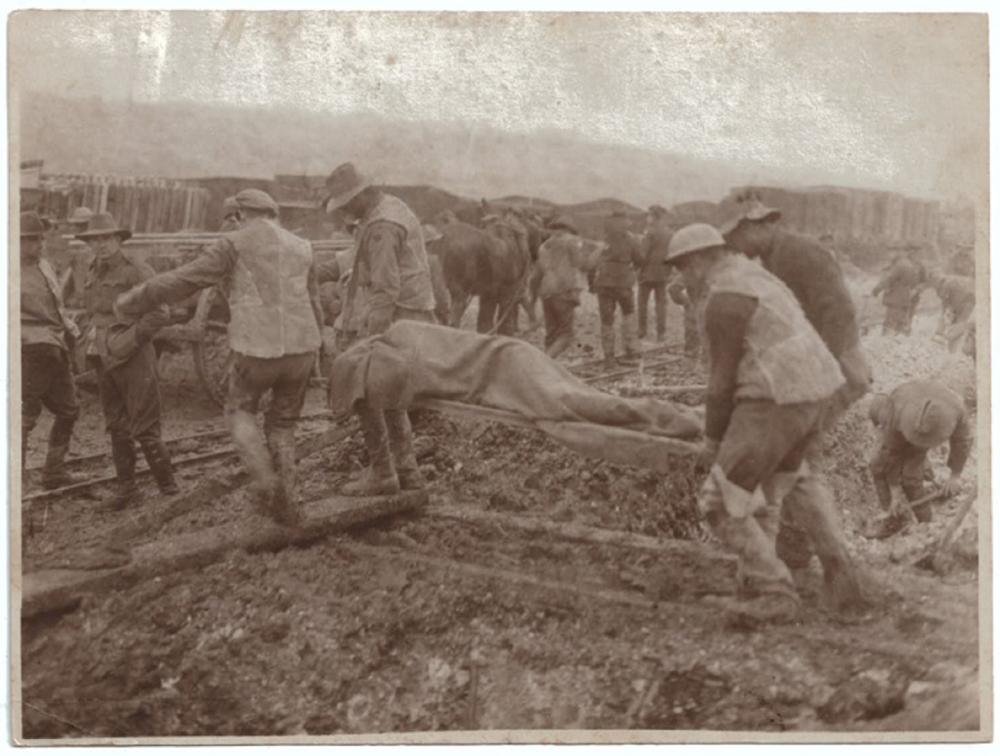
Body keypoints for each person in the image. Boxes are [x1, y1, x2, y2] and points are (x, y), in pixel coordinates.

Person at [666, 223, 866, 625]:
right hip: (815, 389)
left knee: (720, 501)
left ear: (702, 259)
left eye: (683, 267)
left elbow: (721, 381)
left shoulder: (726, 298)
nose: (682, 277)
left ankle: (774, 591)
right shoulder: (756, 276)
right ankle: (842, 576)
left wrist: (712, 439)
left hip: (774, 396)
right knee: (786, 484)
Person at [115, 189, 322, 525]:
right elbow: (315, 302)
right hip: (303, 349)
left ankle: (267, 486)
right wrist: (320, 351)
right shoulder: (303, 246)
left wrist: (136, 298)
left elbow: (184, 280)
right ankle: (291, 501)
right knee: (284, 424)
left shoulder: (233, 244)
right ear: (273, 214)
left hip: (257, 349)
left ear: (239, 215)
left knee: (239, 410)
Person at [323, 162, 435, 496]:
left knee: (364, 390)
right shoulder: (388, 211)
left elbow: (386, 287)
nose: (345, 211)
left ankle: (383, 472)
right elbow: (359, 259)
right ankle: (406, 469)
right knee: (391, 396)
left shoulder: (382, 226)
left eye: (347, 203)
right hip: (408, 316)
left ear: (362, 196)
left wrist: (370, 341)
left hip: (396, 316)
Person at [78, 212, 178, 509]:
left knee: (145, 427)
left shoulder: (137, 270)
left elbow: (160, 313)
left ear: (119, 240)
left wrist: (130, 341)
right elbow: (95, 313)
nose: (101, 245)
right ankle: (128, 489)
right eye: (95, 240)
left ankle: (170, 491)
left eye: (107, 238)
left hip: (134, 358)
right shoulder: (92, 270)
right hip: (104, 358)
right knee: (116, 424)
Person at [20, 212, 82, 489]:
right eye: (30, 240)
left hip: (54, 345)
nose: (37, 245)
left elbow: (57, 306)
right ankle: (14, 477)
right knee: (23, 415)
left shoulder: (44, 266)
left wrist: (69, 326)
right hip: (28, 349)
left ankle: (53, 472)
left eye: (39, 239)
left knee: (69, 409)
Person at [865, 380, 972, 539]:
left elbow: (962, 442)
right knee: (877, 464)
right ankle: (893, 520)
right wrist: (894, 492)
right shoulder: (893, 412)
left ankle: (926, 525)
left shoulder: (956, 410)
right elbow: (891, 453)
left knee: (911, 477)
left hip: (917, 416)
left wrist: (955, 475)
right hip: (901, 418)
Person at [532, 216, 600, 358]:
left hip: (546, 293)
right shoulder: (571, 242)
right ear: (568, 230)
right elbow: (584, 265)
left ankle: (546, 365)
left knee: (551, 333)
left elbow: (536, 275)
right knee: (566, 334)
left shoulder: (543, 246)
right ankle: (546, 360)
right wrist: (598, 251)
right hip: (564, 292)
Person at [592, 211, 643, 368]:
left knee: (606, 320)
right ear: (625, 221)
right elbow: (640, 260)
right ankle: (631, 351)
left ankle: (609, 357)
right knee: (628, 314)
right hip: (623, 282)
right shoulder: (631, 239)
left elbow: (592, 263)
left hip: (603, 283)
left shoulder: (604, 238)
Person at [637, 205, 673, 342]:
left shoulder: (649, 232)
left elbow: (643, 254)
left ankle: (641, 331)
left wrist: (638, 269)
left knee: (642, 303)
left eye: (649, 215)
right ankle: (661, 334)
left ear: (653, 217)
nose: (647, 218)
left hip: (647, 274)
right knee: (661, 304)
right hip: (663, 274)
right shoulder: (670, 233)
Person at [871, 246, 922, 335]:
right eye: (889, 252)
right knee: (900, 324)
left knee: (890, 324)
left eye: (891, 252)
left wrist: (876, 290)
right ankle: (899, 344)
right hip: (905, 299)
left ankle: (886, 344)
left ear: (898, 252)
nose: (889, 255)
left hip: (895, 299)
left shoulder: (899, 265)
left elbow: (888, 279)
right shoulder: (909, 264)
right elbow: (914, 282)